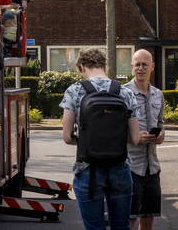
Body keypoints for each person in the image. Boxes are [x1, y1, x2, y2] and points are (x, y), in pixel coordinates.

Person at [60, 47, 143, 230]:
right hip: (120, 168)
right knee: (121, 226)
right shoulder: (125, 92)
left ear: (82, 66)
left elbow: (67, 137)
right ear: (104, 65)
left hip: (88, 169)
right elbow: (135, 139)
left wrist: (88, 142)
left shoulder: (74, 91)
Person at [124, 49, 164, 230]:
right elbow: (114, 130)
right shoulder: (123, 94)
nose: (140, 68)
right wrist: (133, 137)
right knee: (130, 218)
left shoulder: (158, 95)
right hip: (131, 167)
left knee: (149, 216)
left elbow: (161, 123)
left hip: (152, 167)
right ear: (132, 67)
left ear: (152, 67)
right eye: (137, 64)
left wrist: (161, 134)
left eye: (144, 64)